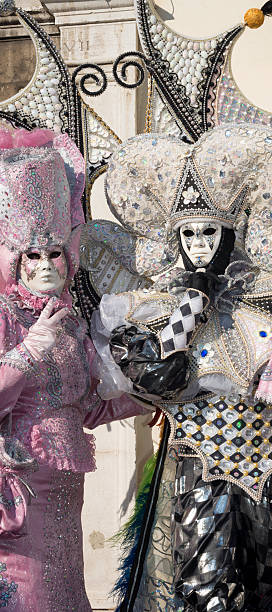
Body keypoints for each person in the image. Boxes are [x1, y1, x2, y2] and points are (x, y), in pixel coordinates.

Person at [90, 122, 272, 612]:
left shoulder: (265, 296)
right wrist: (192, 304)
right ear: (174, 237)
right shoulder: (152, 309)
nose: (200, 243)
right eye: (189, 233)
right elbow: (160, 375)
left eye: (210, 232)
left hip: (271, 469)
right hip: (198, 469)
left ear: (229, 235)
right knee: (205, 589)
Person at [0, 127, 148, 612]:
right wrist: (29, 350)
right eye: (33, 256)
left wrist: (149, 392)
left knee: (64, 593)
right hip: (17, 487)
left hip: (65, 488)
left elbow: (86, 408)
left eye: (54, 253)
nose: (45, 266)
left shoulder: (69, 322)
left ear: (70, 255)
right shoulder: (3, 314)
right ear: (14, 261)